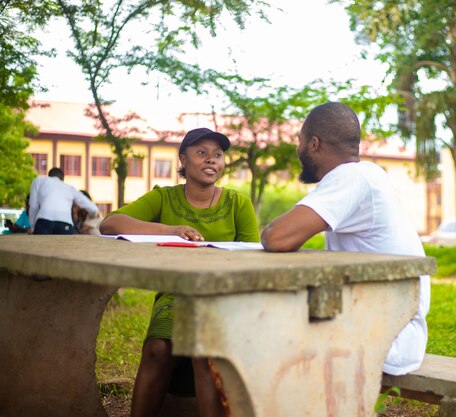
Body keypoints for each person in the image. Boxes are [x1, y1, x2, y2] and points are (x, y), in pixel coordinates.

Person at [99, 127, 259, 417]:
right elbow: (110, 223)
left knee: (205, 353)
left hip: (225, 297)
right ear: (183, 159)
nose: (212, 160)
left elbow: (253, 258)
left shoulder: (238, 204)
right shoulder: (164, 198)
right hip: (176, 296)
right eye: (202, 153)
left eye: (218, 155)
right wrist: (170, 231)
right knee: (157, 349)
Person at [261, 102, 430, 376]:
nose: (297, 149)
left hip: (388, 336)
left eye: (300, 142)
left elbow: (276, 238)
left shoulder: (351, 178)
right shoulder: (368, 174)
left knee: (252, 332)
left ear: (314, 144)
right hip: (384, 322)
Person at [29, 167, 99, 235]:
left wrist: (33, 227)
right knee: (64, 247)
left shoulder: (39, 181)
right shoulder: (69, 188)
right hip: (65, 223)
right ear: (62, 179)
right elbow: (94, 209)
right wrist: (93, 214)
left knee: (41, 246)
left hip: (44, 221)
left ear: (49, 176)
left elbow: (33, 205)